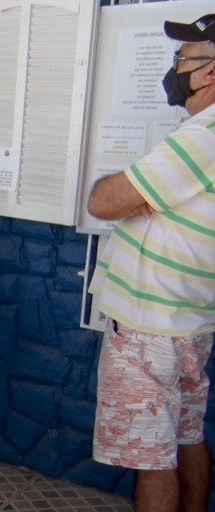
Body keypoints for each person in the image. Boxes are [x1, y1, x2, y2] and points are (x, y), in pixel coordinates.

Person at [86, 14, 215, 512]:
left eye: (183, 57)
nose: (175, 67)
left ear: (208, 73)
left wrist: (125, 189)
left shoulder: (202, 136)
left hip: (149, 329)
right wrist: (133, 192)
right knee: (187, 435)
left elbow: (103, 200)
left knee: (154, 459)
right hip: (191, 320)